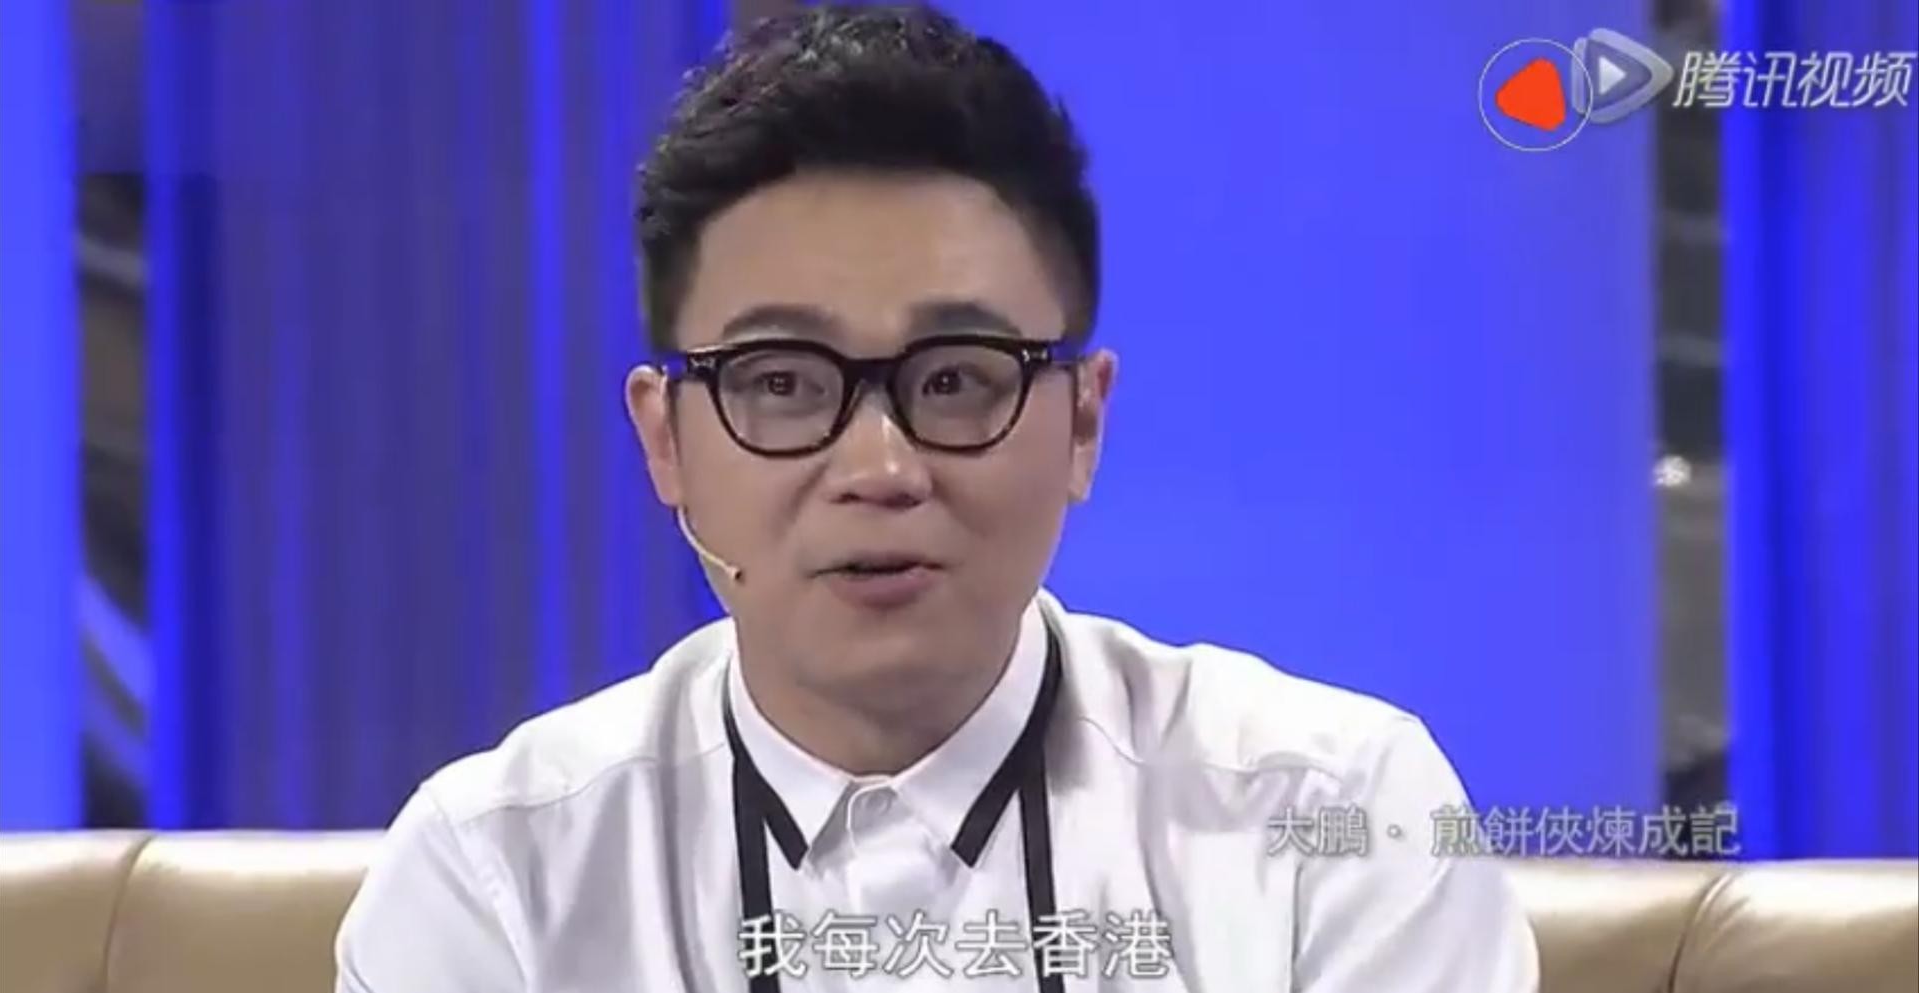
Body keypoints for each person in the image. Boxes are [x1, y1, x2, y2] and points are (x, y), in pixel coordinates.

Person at [334, 4, 1540, 991]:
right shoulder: (501, 876)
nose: (880, 468)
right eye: (783, 382)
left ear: (1082, 422)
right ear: (665, 439)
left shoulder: (1333, 823)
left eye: (956, 379)